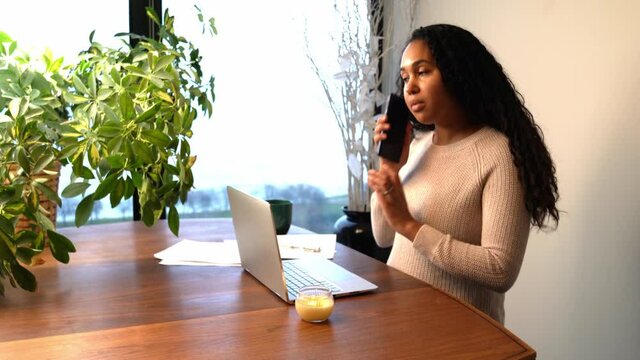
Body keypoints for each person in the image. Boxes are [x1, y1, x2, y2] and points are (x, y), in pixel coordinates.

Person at [367, 24, 560, 324]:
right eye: (405, 77)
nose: (410, 87)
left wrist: (411, 227)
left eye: (423, 72)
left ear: (458, 73)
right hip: (398, 323)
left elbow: (500, 269)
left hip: (460, 337)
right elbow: (382, 236)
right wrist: (391, 169)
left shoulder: (499, 154)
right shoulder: (416, 147)